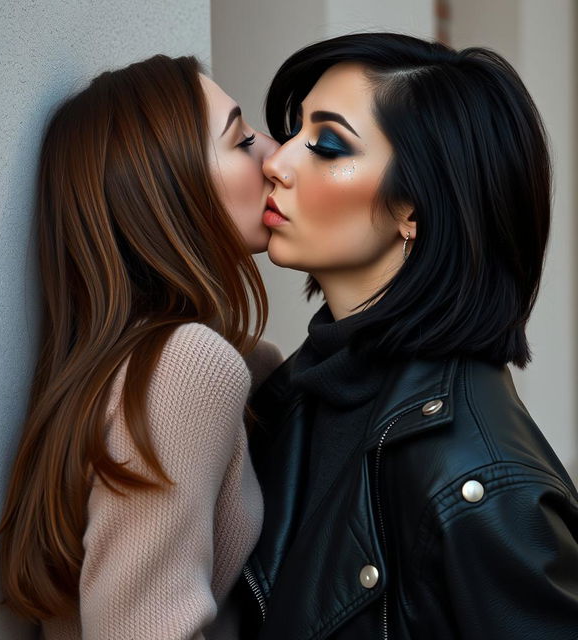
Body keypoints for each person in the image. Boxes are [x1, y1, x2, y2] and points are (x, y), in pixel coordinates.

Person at [239, 33, 578, 639]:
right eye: (293, 132)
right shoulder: (288, 396)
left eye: (325, 144)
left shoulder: (480, 483)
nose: (276, 161)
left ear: (414, 209)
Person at [0, 54, 282, 639]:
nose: (275, 155)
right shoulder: (183, 368)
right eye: (243, 139)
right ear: (166, 190)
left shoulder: (140, 365)